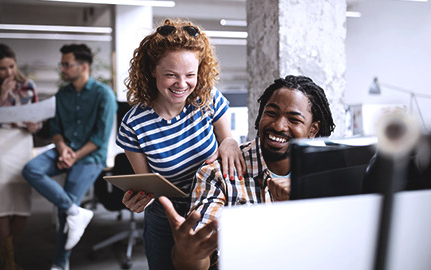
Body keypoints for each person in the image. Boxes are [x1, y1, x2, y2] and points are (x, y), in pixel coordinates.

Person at [160, 75, 336, 269]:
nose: (278, 126)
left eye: (293, 119)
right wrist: (189, 256)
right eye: (271, 113)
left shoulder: (328, 174)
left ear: (313, 129)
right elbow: (203, 250)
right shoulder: (217, 173)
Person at [116, 18, 245, 269]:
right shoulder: (134, 124)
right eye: (171, 75)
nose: (182, 84)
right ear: (152, 70)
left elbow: (227, 140)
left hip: (213, 203)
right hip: (165, 214)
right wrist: (138, 198)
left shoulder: (208, 100)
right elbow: (147, 184)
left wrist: (230, 143)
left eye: (190, 75)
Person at [22, 44, 117, 270]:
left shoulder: (104, 94)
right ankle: (76, 212)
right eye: (62, 64)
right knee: (31, 169)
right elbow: (55, 129)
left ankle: (60, 263)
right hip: (64, 149)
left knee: (65, 207)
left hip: (91, 156)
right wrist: (62, 147)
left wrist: (74, 156)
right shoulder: (62, 95)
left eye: (67, 64)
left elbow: (100, 138)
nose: (62, 69)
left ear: (83, 66)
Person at [0, 43, 41, 270]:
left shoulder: (28, 85)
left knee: (21, 206)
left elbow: (37, 118)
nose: (8, 72)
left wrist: (36, 125)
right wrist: (2, 96)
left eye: (11, 66)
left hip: (23, 143)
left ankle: (6, 251)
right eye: (2, 69)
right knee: (1, 205)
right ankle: (9, 260)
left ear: (16, 63)